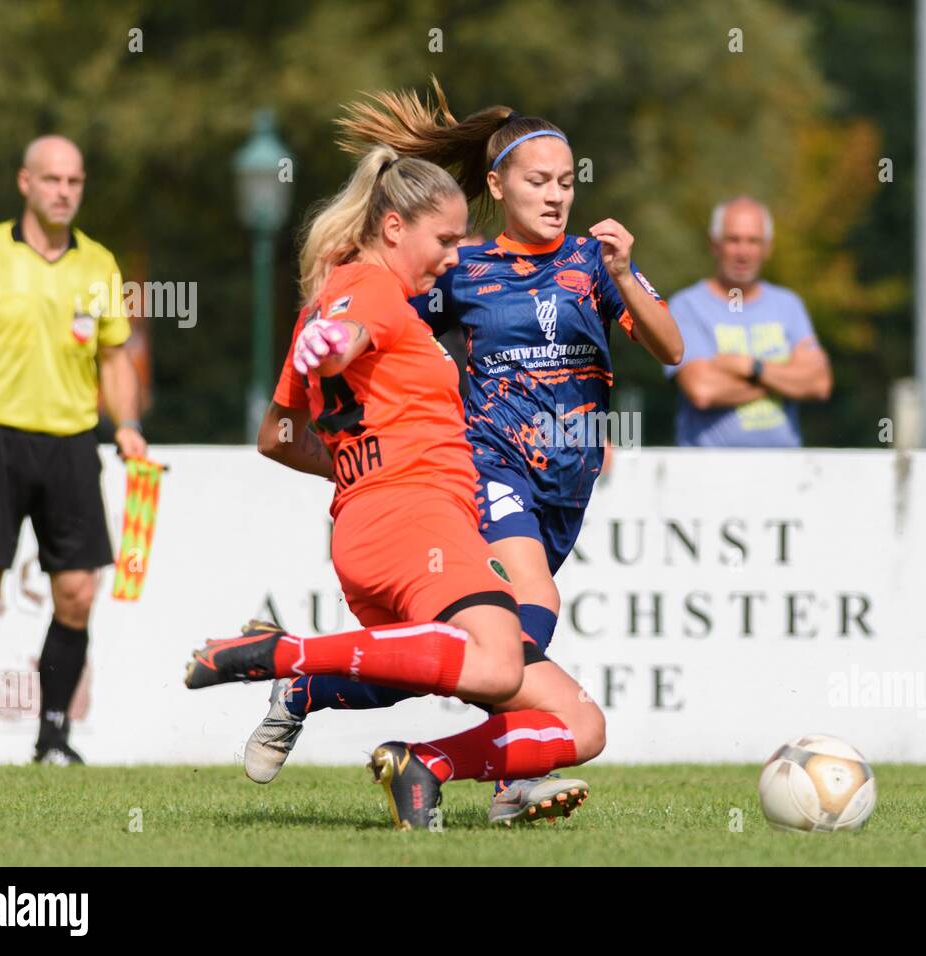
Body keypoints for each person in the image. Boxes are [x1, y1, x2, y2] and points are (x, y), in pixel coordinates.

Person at [236, 82, 683, 822]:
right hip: (487, 470)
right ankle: (503, 778)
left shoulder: (593, 263)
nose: (556, 196)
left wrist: (627, 271)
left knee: (469, 657)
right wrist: (335, 347)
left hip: (564, 490)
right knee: (531, 611)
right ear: (499, 185)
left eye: (567, 183)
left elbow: (672, 347)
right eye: (539, 181)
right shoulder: (465, 267)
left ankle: (320, 691)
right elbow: (378, 309)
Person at [185, 145, 603, 830]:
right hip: (414, 522)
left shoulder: (361, 297)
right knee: (501, 664)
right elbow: (349, 330)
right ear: (393, 229)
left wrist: (355, 459)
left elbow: (276, 435)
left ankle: (423, 766)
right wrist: (336, 343)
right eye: (443, 239)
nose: (452, 256)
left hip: (379, 523)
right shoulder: (369, 287)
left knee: (579, 721)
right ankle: (285, 655)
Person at [0, 135, 146, 765]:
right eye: (51, 179)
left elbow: (114, 357)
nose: (63, 191)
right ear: (25, 183)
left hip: (73, 443)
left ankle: (53, 736)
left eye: (74, 181)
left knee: (78, 593)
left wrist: (128, 423)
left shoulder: (99, 264)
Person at [667, 196, 831, 446]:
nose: (743, 252)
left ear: (768, 248)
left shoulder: (788, 305)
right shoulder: (686, 306)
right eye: (733, 240)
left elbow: (819, 383)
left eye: (753, 241)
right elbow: (702, 390)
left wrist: (750, 367)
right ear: (714, 245)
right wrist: (786, 378)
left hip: (786, 475)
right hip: (707, 475)